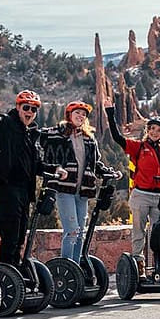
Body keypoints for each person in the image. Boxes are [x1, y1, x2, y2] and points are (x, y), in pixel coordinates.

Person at [104, 96, 160, 270]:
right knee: (139, 232)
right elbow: (117, 137)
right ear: (148, 130)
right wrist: (110, 113)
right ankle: (138, 263)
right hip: (140, 195)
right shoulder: (138, 147)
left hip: (159, 197)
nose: (155, 132)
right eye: (152, 129)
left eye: (159, 130)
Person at [40, 101, 121, 261]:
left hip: (83, 191)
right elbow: (38, 140)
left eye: (84, 114)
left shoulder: (89, 139)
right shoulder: (57, 133)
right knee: (71, 231)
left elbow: (95, 164)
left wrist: (109, 173)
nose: (81, 116)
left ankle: (75, 270)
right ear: (69, 114)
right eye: (77, 113)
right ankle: (65, 268)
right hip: (64, 189)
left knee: (80, 233)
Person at [0, 88, 44, 267]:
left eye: (33, 109)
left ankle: (15, 276)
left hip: (25, 192)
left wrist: (56, 170)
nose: (29, 112)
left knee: (21, 236)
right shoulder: (5, 122)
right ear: (18, 107)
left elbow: (37, 166)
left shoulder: (32, 134)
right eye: (26, 107)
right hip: (6, 189)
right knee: (11, 236)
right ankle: (8, 278)